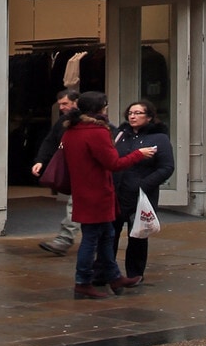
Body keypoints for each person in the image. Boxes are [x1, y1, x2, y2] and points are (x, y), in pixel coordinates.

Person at [61, 90, 155, 299]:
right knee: (92, 238)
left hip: (84, 190)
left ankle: (113, 276)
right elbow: (114, 163)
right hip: (97, 192)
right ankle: (82, 281)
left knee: (107, 235)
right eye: (105, 105)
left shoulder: (71, 130)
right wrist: (138, 154)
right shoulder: (97, 131)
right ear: (99, 109)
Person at [112, 101, 174, 285]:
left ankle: (135, 273)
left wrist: (143, 185)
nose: (133, 116)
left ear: (148, 117)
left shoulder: (159, 138)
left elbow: (167, 167)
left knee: (137, 236)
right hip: (117, 193)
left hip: (140, 195)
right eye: (130, 113)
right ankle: (106, 271)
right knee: (110, 234)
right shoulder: (120, 135)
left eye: (138, 113)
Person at [33, 87, 80, 255]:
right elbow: (51, 140)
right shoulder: (63, 122)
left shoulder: (89, 123)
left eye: (65, 103)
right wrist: (40, 160)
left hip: (85, 171)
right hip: (74, 169)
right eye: (60, 104)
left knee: (75, 204)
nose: (61, 108)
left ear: (76, 102)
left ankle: (64, 239)